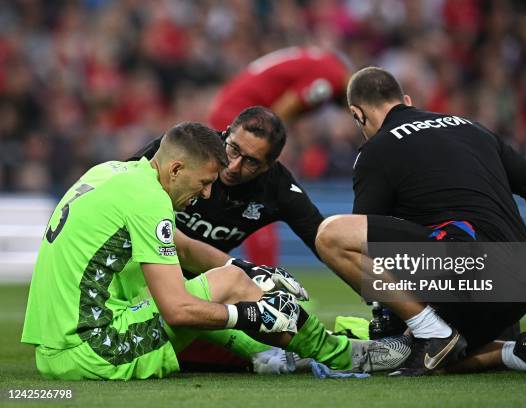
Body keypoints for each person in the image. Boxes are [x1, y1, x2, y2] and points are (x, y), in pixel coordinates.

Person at [21, 122, 410, 380]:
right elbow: (176, 309)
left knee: (224, 279)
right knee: (226, 290)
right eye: (204, 183)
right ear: (175, 170)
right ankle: (346, 356)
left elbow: (182, 245)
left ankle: (270, 354)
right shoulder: (149, 201)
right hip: (94, 350)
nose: (206, 194)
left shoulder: (111, 173)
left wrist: (248, 269)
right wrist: (248, 312)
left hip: (57, 348)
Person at [315, 67, 526, 376]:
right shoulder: (472, 127)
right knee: (425, 355)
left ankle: (434, 333)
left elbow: (368, 247)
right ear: (407, 100)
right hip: (520, 288)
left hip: (469, 274)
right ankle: (513, 351)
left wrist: (392, 311)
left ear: (357, 114)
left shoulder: (376, 150)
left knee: (331, 235)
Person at [131, 107, 329, 371]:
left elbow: (327, 241)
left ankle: (368, 336)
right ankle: (264, 353)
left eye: (251, 162)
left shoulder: (278, 188)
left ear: (269, 166)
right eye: (233, 149)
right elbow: (122, 191)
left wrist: (390, 299)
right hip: (142, 278)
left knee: (284, 326)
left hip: (209, 289)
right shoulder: (184, 149)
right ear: (225, 134)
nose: (234, 167)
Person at [207, 46, 351, 267]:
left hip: (233, 111)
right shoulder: (331, 75)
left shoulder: (319, 61)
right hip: (241, 120)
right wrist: (275, 151)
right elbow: (279, 113)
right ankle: (265, 276)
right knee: (260, 199)